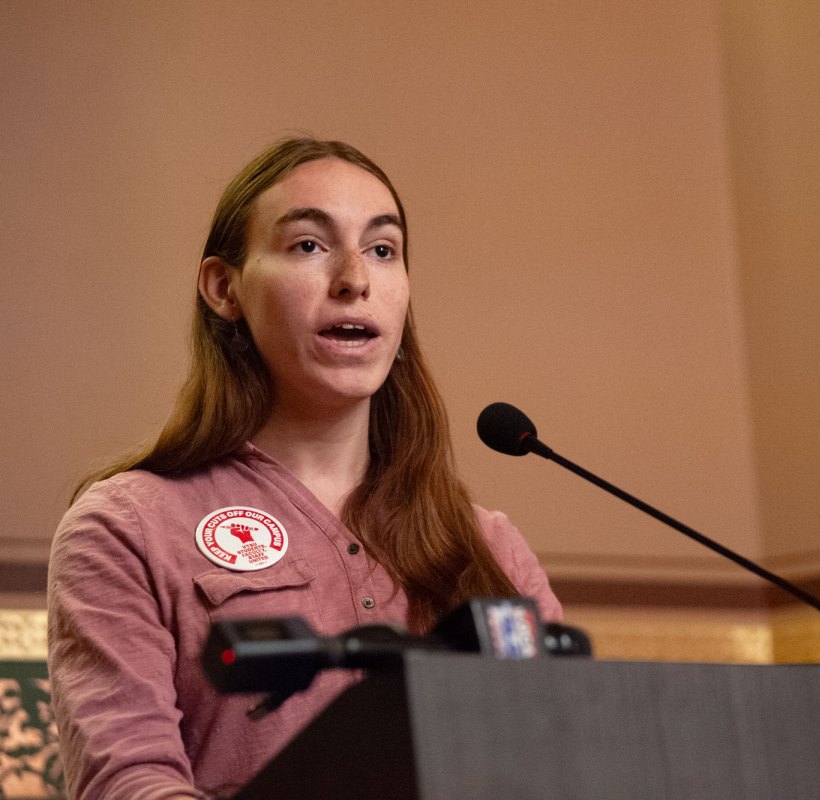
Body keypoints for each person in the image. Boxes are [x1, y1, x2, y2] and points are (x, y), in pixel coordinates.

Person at [47, 138, 561, 800]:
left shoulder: (488, 546)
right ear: (224, 288)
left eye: (383, 249)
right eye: (309, 247)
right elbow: (131, 783)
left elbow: (572, 757)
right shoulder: (126, 530)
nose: (356, 279)